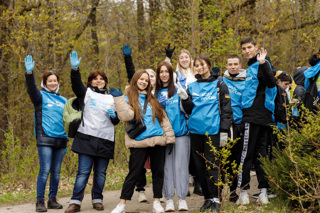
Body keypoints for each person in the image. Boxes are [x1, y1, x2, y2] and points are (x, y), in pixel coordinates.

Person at [110, 70, 175, 213]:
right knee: (133, 173)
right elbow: (127, 116)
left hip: (158, 141)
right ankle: (122, 204)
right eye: (141, 79)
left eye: (146, 80)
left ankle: (157, 202)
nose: (144, 82)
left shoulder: (153, 100)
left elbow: (164, 120)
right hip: (139, 142)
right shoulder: (128, 98)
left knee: (158, 173)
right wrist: (119, 99)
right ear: (135, 80)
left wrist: (170, 139)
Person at [64, 51, 120, 213]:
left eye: (101, 79)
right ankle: (75, 202)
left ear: (105, 82)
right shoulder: (86, 94)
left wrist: (114, 116)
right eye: (95, 79)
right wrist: (75, 70)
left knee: (101, 173)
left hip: (105, 140)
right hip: (86, 138)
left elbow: (116, 121)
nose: (98, 81)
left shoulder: (112, 97)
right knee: (83, 172)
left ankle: (97, 199)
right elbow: (76, 85)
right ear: (90, 82)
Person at [178, 54, 232, 212]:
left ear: (208, 65)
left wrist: (224, 130)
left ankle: (217, 198)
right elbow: (189, 110)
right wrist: (185, 99)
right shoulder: (193, 86)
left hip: (213, 131)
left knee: (212, 165)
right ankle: (208, 198)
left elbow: (227, 109)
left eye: (202, 65)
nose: (200, 68)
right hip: (195, 131)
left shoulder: (219, 84)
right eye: (197, 65)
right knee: (199, 167)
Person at [237, 37, 277, 205]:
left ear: (256, 47)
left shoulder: (263, 63)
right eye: (244, 48)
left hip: (258, 117)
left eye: (249, 47)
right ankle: (253, 193)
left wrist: (262, 63)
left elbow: (271, 82)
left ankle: (255, 192)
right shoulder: (253, 66)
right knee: (255, 154)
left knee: (253, 155)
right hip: (257, 116)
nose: (247, 51)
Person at [24, 55, 68, 212]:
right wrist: (29, 74)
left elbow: (69, 119)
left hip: (61, 140)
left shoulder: (64, 100)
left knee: (56, 172)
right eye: (50, 81)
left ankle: (52, 199)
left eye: (55, 80)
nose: (53, 83)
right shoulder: (40, 97)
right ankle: (40, 201)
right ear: (45, 83)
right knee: (44, 170)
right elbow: (31, 89)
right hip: (45, 139)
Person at [120, 44, 157, 203]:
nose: (147, 79)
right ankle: (140, 189)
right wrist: (128, 59)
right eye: (144, 76)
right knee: (138, 165)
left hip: (155, 134)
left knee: (157, 165)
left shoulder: (159, 93)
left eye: (150, 76)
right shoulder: (135, 90)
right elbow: (132, 76)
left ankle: (158, 194)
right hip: (139, 133)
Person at [155, 61, 190, 211]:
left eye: (166, 71)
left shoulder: (178, 89)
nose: (164, 74)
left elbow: (189, 110)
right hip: (164, 137)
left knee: (181, 167)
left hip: (181, 133)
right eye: (161, 72)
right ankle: (169, 199)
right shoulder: (155, 93)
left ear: (171, 73)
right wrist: (158, 106)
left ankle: (181, 199)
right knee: (167, 168)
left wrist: (185, 97)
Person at [222, 55, 246, 203]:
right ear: (226, 66)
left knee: (236, 159)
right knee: (225, 158)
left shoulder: (246, 81)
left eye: (235, 64)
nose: (232, 67)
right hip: (225, 124)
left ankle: (233, 191)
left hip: (239, 124)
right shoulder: (221, 81)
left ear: (240, 65)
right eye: (230, 64)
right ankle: (222, 188)